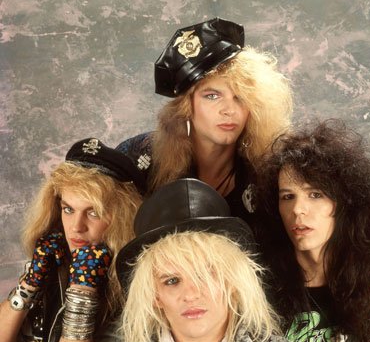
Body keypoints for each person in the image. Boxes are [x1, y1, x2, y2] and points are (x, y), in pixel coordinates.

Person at [84, 178, 315, 342]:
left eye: (204, 276)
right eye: (171, 281)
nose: (191, 294)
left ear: (233, 282)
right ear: (154, 296)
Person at [257, 119, 370, 342]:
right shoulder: (258, 275)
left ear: (343, 202)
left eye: (315, 194)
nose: (298, 209)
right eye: (287, 196)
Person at [116, 17, 293, 227]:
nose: (229, 110)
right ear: (186, 106)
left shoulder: (269, 170)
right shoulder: (138, 157)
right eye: (212, 96)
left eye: (240, 97)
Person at [0, 138, 142, 342]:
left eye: (93, 212)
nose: (76, 227)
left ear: (122, 216)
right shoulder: (55, 266)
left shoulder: (137, 285)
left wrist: (82, 291)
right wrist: (29, 284)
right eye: (68, 209)